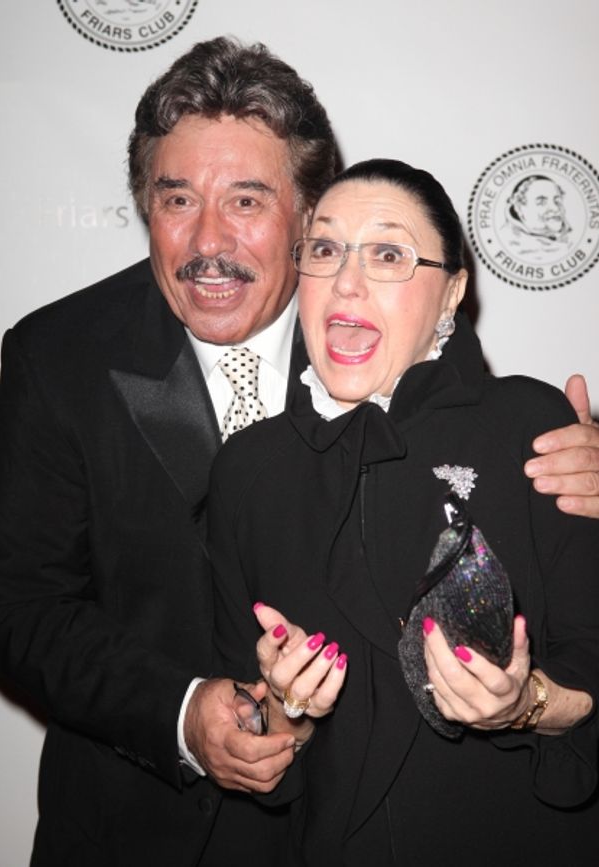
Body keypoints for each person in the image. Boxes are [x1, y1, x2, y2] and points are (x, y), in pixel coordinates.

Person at [0, 35, 597, 867]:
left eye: (247, 201)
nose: (208, 240)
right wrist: (182, 712)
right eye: (176, 200)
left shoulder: (390, 351)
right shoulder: (53, 355)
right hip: (131, 829)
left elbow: (494, 490)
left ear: (307, 214)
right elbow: (23, 607)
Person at [208, 159, 599, 866]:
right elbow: (252, 735)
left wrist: (527, 702)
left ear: (452, 290)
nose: (346, 281)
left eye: (388, 253)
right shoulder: (246, 471)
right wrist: (286, 715)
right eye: (324, 249)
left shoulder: (532, 427)